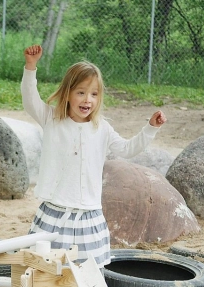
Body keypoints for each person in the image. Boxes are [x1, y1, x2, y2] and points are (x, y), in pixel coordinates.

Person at [21, 44, 166, 267]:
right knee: (47, 267)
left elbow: (127, 149)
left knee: (89, 269)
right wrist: (31, 67)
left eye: (94, 94)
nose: (87, 100)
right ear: (68, 93)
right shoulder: (51, 119)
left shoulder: (102, 129)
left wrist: (150, 128)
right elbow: (30, 100)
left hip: (88, 213)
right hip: (56, 211)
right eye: (81, 92)